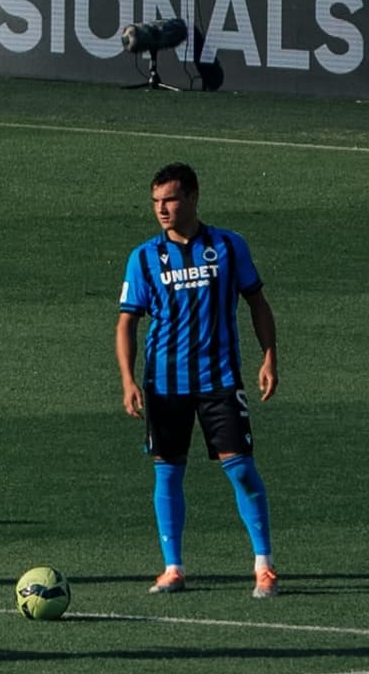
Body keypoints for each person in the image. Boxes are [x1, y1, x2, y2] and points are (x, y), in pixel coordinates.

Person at [119, 160, 281, 597]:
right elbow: (127, 322)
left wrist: (269, 357)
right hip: (165, 385)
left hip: (220, 380)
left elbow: (257, 302)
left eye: (170, 199)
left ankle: (263, 565)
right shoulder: (145, 257)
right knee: (167, 475)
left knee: (242, 469)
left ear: (192, 197)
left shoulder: (229, 247)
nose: (162, 209)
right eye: (156, 202)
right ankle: (173, 568)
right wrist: (128, 380)